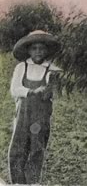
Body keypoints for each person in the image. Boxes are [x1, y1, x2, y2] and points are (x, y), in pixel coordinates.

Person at [8, 30, 62, 185]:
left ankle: (33, 181)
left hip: (41, 115)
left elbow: (50, 94)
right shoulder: (22, 67)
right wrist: (31, 91)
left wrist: (52, 84)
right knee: (19, 146)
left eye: (41, 48)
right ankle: (18, 182)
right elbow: (15, 89)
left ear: (46, 50)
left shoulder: (50, 68)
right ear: (29, 50)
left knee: (37, 146)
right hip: (23, 114)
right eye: (34, 48)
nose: (38, 52)